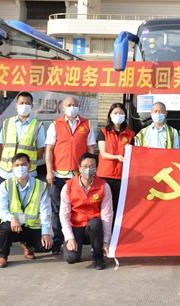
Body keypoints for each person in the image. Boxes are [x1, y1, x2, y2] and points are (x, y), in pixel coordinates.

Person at [45, 95, 96, 253]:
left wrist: (91, 172)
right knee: (57, 210)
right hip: (58, 175)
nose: (72, 107)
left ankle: (76, 239)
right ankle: (58, 241)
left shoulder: (86, 124)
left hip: (78, 176)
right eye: (69, 105)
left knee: (78, 208)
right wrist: (49, 171)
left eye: (74, 105)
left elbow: (91, 149)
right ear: (62, 107)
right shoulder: (55, 125)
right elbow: (49, 150)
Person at [0, 153, 52, 268]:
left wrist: (46, 233)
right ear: (12, 167)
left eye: (24, 164)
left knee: (46, 246)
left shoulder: (40, 186)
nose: (20, 168)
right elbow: (1, 209)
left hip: (31, 226)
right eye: (17, 165)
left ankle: (27, 246)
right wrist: (11, 218)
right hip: (14, 225)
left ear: (29, 165)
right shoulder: (6, 185)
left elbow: (45, 211)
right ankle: (3, 256)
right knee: (5, 228)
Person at [60, 153, 113, 270]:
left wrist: (106, 241)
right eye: (85, 166)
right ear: (79, 168)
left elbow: (107, 215)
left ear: (96, 168)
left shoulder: (104, 186)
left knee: (96, 223)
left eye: (92, 166)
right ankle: (68, 245)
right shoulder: (68, 187)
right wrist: (69, 238)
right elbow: (64, 215)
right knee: (71, 258)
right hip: (76, 226)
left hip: (93, 227)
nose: (88, 169)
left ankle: (98, 255)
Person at [0, 91, 46, 182]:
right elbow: (0, 145)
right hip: (5, 173)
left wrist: (26, 164)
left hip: (27, 173)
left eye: (27, 103)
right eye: (21, 103)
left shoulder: (38, 125)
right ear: (16, 105)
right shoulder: (7, 122)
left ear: (31, 106)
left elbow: (41, 150)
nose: (24, 105)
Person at [96, 103, 135, 214]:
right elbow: (103, 153)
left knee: (117, 206)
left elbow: (133, 153)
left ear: (125, 116)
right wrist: (116, 157)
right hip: (104, 175)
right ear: (110, 115)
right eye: (115, 113)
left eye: (121, 113)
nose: (118, 115)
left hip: (122, 176)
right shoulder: (103, 132)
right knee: (103, 206)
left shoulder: (130, 134)